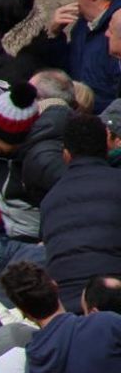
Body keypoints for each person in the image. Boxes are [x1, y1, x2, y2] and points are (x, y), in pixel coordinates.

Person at [39, 113, 121, 313]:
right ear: (107, 146)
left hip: (69, 307)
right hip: (114, 297)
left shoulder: (49, 200)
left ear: (66, 154)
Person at [46, 0, 121, 108]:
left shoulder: (117, 27)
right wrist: (55, 36)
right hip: (81, 122)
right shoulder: (82, 27)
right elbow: (66, 71)